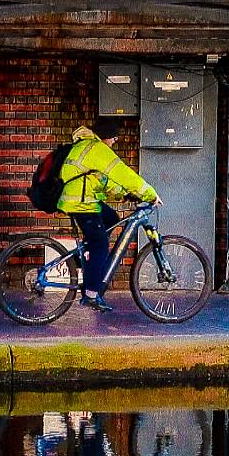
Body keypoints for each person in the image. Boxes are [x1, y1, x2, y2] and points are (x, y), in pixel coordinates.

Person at [57, 116, 161, 314]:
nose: (115, 141)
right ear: (106, 136)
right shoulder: (98, 149)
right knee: (101, 245)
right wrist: (149, 193)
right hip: (82, 204)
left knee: (112, 218)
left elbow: (105, 181)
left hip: (81, 200)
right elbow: (123, 174)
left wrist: (127, 195)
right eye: (114, 137)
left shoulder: (88, 146)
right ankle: (91, 294)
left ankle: (88, 255)